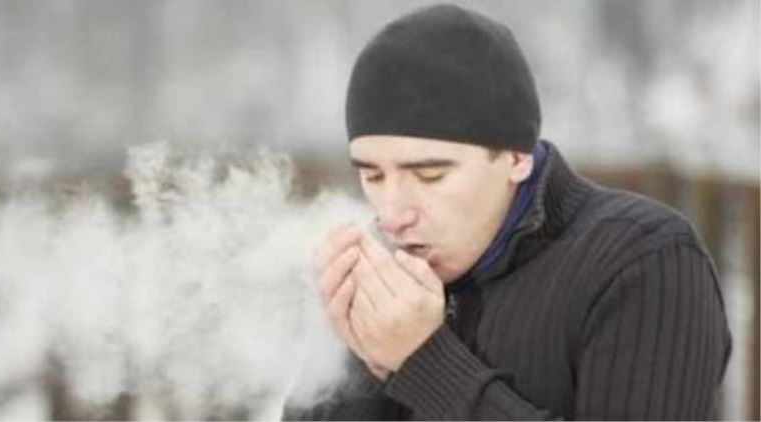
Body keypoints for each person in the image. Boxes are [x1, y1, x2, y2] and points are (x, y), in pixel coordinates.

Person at [291, 4, 732, 420]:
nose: (392, 213)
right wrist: (360, 358)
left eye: (429, 175)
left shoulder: (645, 263)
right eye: (374, 176)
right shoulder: (383, 276)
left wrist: (424, 361)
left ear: (517, 157)